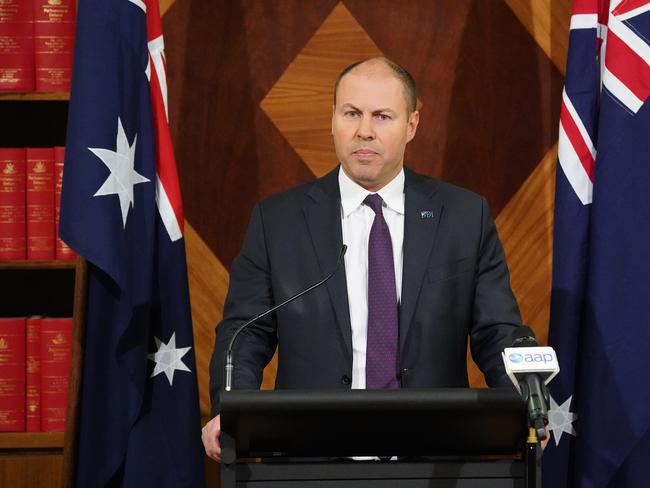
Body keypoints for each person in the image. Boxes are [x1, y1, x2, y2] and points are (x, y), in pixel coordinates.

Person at [202, 57, 523, 461]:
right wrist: (231, 409)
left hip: (433, 460)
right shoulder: (278, 221)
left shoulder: (463, 218)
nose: (364, 131)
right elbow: (243, 335)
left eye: (382, 116)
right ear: (333, 119)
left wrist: (523, 403)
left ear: (412, 125)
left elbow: (498, 332)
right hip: (310, 460)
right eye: (351, 113)